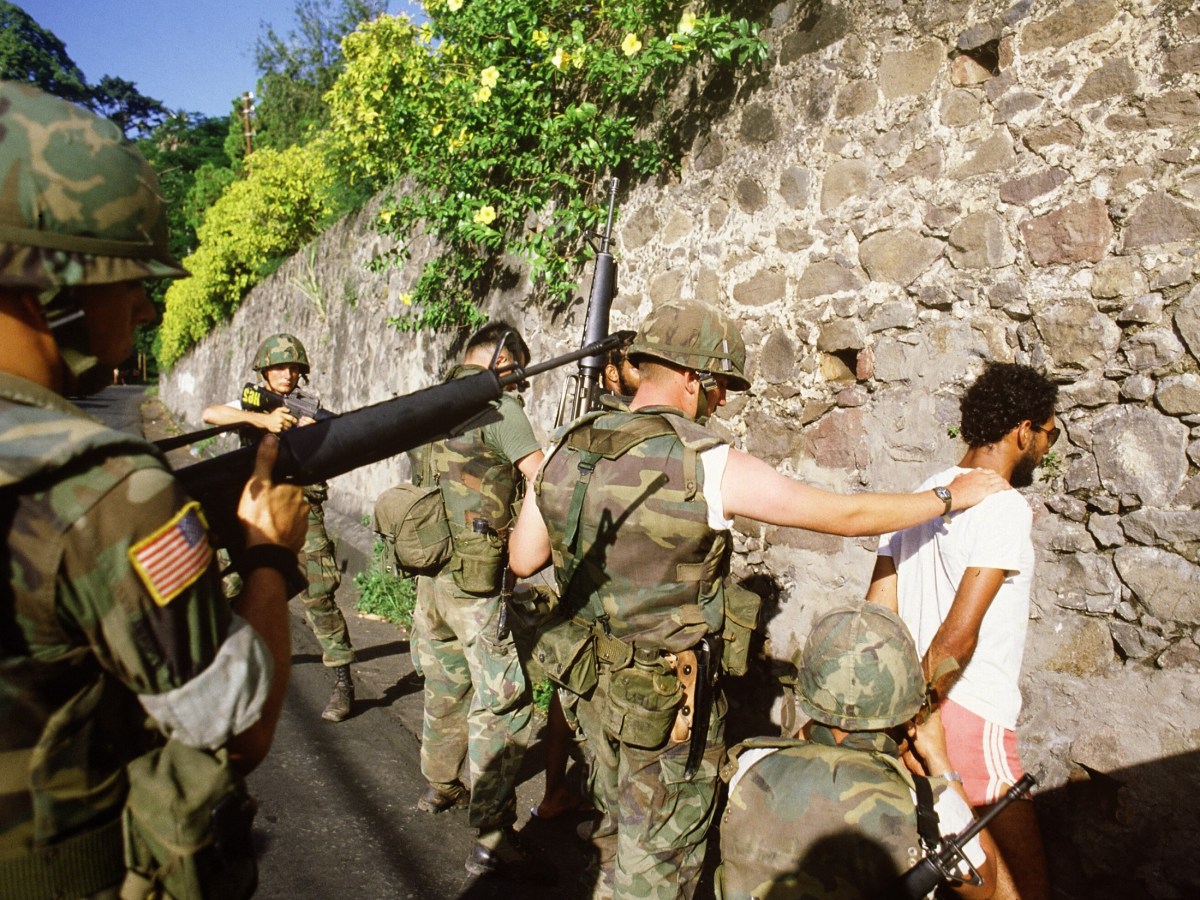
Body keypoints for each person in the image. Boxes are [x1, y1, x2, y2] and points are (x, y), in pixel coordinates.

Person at [508, 298, 1008, 900]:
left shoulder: (567, 446)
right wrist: (949, 499)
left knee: (613, 833)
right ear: (693, 378)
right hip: (665, 708)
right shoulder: (704, 462)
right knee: (657, 865)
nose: (719, 403)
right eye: (719, 388)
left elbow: (523, 559)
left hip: (590, 691)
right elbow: (841, 515)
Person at [0, 82, 306, 897]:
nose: (142, 305)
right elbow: (240, 730)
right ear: (50, 284)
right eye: (123, 277)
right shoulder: (98, 490)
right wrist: (271, 557)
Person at [866, 361, 1057, 900]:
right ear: (1024, 429)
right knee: (1019, 890)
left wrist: (896, 721)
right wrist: (921, 719)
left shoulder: (922, 495)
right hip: (966, 719)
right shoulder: (1003, 507)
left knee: (946, 877)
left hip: (913, 716)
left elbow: (878, 617)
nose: (1045, 448)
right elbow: (958, 636)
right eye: (1049, 433)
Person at [719, 604, 997, 900]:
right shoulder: (930, 806)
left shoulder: (750, 764)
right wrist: (940, 761)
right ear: (905, 710)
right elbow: (985, 886)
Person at [410, 322, 546, 878]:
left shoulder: (432, 404)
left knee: (444, 684)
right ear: (504, 364)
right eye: (517, 374)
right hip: (476, 585)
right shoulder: (499, 408)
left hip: (430, 578)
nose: (519, 386)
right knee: (501, 703)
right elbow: (541, 478)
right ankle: (492, 834)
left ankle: (440, 784)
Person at [203, 333, 358, 722]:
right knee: (227, 588)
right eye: (279, 367)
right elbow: (211, 413)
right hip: (254, 507)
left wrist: (310, 435)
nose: (287, 374)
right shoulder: (252, 402)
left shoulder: (311, 411)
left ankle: (343, 683)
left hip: (300, 507)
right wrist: (261, 419)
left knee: (319, 595)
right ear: (264, 370)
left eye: (293, 368)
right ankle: (218, 674)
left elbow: (339, 447)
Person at [531, 332, 641, 822]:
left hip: (590, 595)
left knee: (575, 698)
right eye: (630, 365)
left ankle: (568, 798)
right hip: (597, 598)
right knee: (581, 704)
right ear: (612, 373)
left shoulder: (579, 435)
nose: (639, 375)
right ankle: (573, 801)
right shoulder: (625, 436)